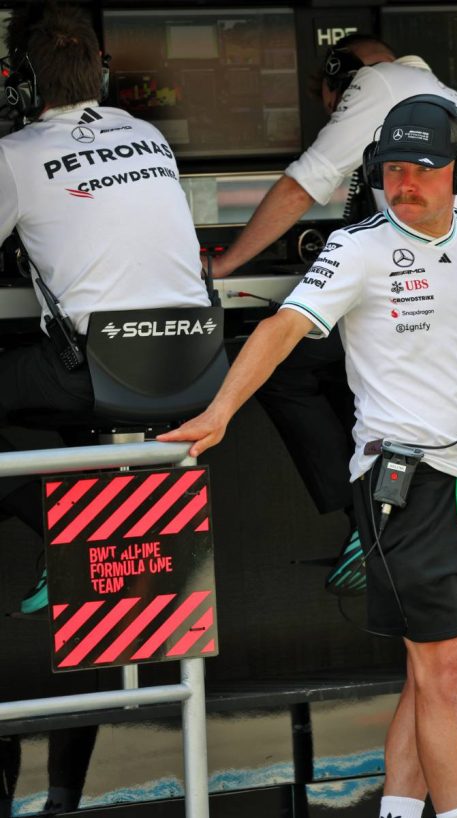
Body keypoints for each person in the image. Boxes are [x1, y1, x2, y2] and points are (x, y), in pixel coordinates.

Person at [159, 95, 457, 818]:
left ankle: (397, 812)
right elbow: (281, 328)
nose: (404, 183)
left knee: (444, 669)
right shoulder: (356, 248)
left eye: (422, 168)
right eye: (392, 168)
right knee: (437, 669)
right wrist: (220, 411)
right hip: (399, 481)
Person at [207, 33, 457, 594]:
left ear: (340, 77)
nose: (334, 114)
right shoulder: (452, 100)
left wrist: (227, 263)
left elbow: (304, 183)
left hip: (435, 308)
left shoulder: (375, 84)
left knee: (285, 368)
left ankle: (363, 516)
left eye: (330, 103)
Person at [0, 4, 209, 814]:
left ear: (18, 84)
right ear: (102, 73)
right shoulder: (143, 133)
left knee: (86, 527)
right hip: (189, 369)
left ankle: (53, 525)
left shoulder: (16, 153)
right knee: (105, 579)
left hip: (98, 376)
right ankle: (63, 797)